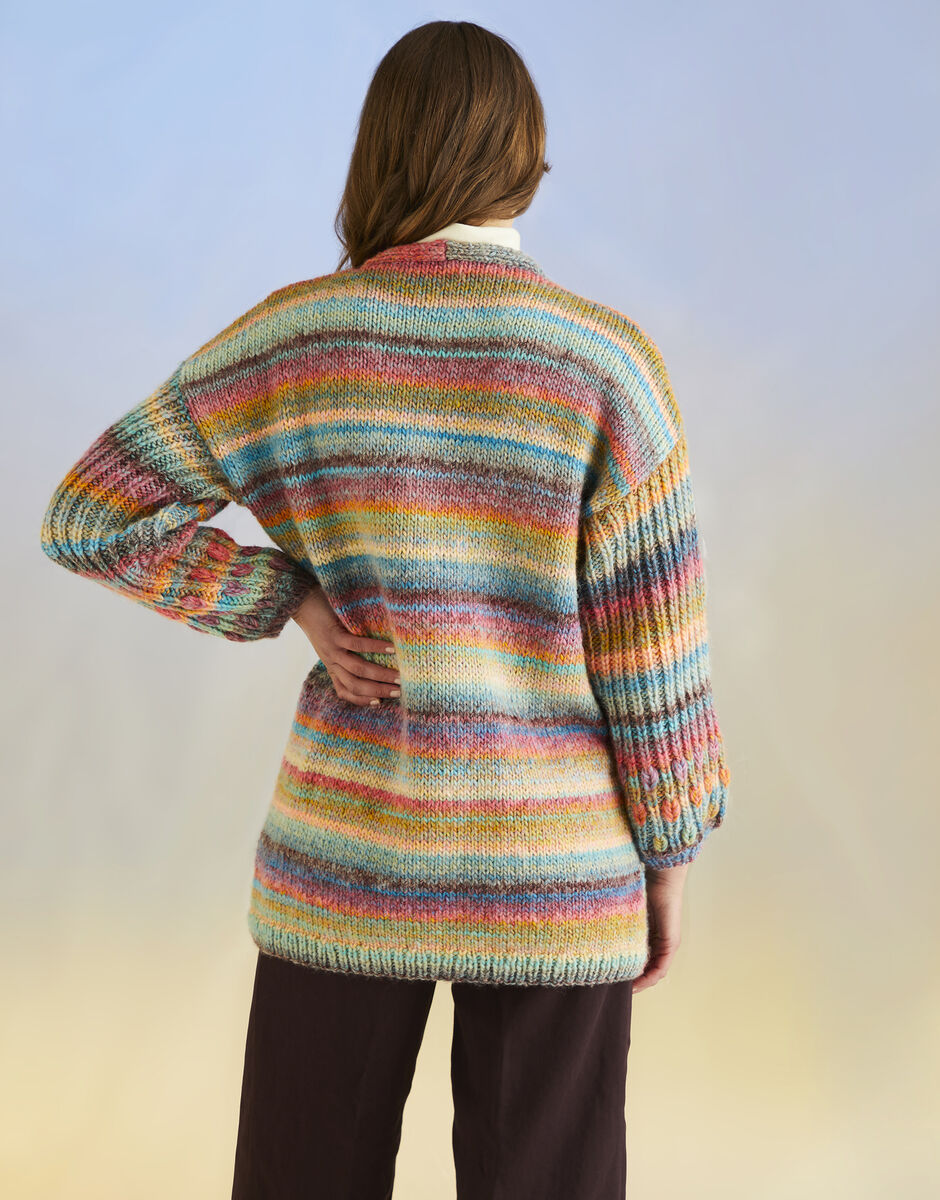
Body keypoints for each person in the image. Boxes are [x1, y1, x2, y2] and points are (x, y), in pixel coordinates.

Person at [39, 18, 731, 1200]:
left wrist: (290, 596)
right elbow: (651, 655)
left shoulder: (289, 339)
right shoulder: (604, 365)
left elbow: (91, 515)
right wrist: (667, 850)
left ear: (378, 156)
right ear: (528, 163)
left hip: (346, 851)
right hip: (557, 861)